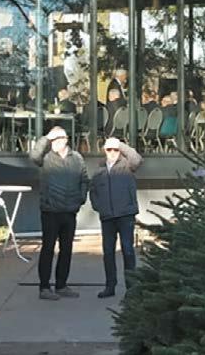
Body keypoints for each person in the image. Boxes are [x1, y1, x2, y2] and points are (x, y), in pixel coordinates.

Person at [30, 126, 89, 300]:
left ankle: (61, 285)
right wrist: (46, 138)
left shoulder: (77, 158)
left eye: (58, 139)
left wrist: (81, 199)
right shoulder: (46, 158)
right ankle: (44, 287)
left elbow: (84, 180)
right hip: (50, 211)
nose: (55, 142)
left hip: (70, 211)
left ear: (65, 140)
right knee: (48, 249)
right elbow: (34, 156)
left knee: (67, 249)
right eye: (53, 140)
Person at [90, 138, 142, 298]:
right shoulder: (99, 170)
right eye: (109, 149)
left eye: (115, 149)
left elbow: (137, 159)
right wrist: (99, 207)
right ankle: (110, 286)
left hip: (125, 215)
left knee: (128, 251)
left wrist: (120, 144)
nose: (112, 152)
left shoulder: (127, 165)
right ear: (104, 151)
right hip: (107, 217)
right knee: (108, 252)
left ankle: (131, 288)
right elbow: (93, 191)